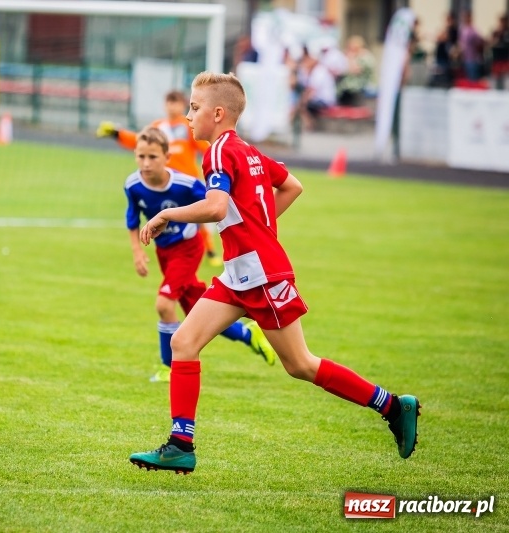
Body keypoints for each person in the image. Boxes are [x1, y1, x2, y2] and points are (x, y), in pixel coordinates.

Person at [128, 72, 421, 474]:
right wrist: (255, 229)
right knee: (184, 342)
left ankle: (391, 405)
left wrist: (166, 213)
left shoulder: (217, 152)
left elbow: (214, 208)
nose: (188, 117)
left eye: (194, 109)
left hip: (262, 275)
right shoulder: (247, 151)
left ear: (217, 113)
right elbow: (292, 186)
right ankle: (181, 444)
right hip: (239, 273)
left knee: (300, 364)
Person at [124, 126, 276, 383]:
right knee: (198, 310)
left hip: (188, 249)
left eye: (152, 157)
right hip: (165, 253)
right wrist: (137, 252)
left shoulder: (185, 185)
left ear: (167, 157)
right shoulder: (133, 185)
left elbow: (215, 203)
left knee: (164, 304)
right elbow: (132, 219)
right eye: (141, 156)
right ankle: (249, 335)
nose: (146, 163)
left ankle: (167, 366)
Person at [97, 90, 222, 267]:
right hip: (165, 182)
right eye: (169, 102)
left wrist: (220, 157)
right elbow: (138, 141)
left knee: (199, 216)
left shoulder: (189, 126)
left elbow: (204, 146)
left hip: (187, 182)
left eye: (176, 102)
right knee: (168, 216)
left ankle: (210, 250)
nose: (172, 106)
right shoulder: (157, 126)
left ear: (182, 105)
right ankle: (174, 251)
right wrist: (117, 133)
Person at [337, 35, 375, 106]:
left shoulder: (365, 57)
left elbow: (355, 70)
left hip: (359, 89)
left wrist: (350, 58)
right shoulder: (348, 55)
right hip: (346, 90)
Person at [490, 14, 509, 90]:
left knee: (506, 79)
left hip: (506, 59)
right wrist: (495, 41)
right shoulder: (496, 32)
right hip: (497, 59)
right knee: (496, 79)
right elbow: (491, 43)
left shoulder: (507, 32)